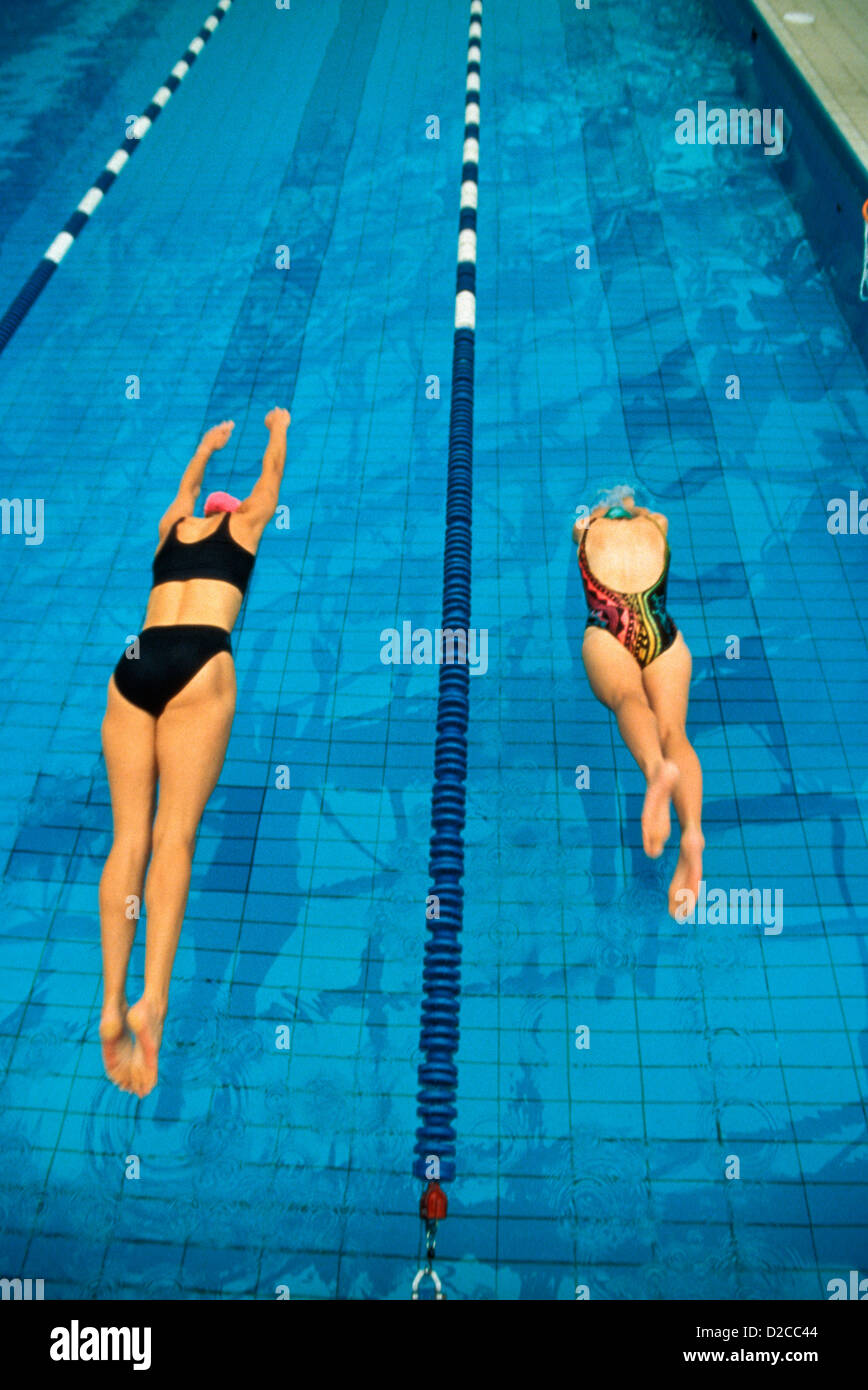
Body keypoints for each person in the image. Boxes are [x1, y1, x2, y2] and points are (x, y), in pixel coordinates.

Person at [98, 408, 290, 1097]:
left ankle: (111, 999)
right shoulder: (245, 526)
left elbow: (184, 490)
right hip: (200, 659)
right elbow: (271, 481)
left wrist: (205, 447)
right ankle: (153, 997)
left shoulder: (169, 531)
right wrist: (278, 429)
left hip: (136, 660)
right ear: (232, 516)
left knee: (128, 841)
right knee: (172, 837)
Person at [572, 487, 704, 916]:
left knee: (629, 698)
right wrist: (636, 507)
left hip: (610, 628)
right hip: (661, 631)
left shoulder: (587, 527)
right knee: (675, 731)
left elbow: (582, 526)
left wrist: (603, 508)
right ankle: (692, 834)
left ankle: (653, 771)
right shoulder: (657, 526)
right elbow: (652, 513)